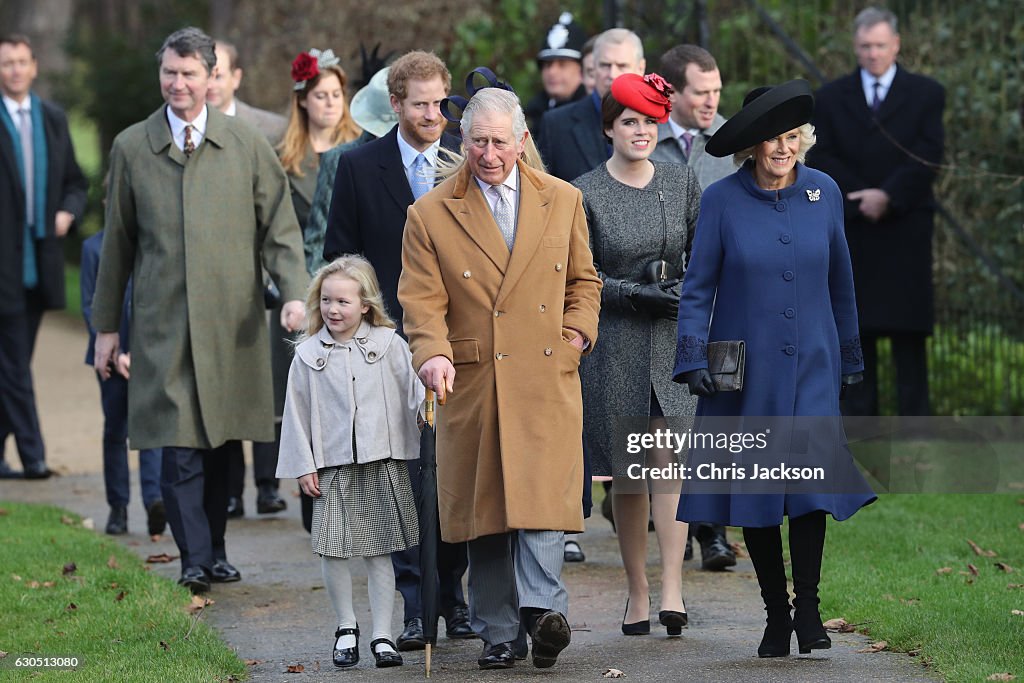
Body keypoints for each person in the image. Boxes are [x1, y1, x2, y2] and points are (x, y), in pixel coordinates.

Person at [91, 27, 308, 594]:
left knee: (222, 445)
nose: (177, 83)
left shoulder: (247, 145)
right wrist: (107, 329)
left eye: (188, 73)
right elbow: (116, 246)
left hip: (232, 325)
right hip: (163, 326)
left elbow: (280, 232)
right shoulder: (132, 147)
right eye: (169, 72)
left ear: (212, 78)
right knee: (180, 442)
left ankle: (215, 548)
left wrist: (293, 293)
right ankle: (192, 558)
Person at [398, 86, 602, 670]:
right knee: (486, 510)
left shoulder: (562, 200)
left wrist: (575, 336)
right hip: (473, 377)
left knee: (541, 499)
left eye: (498, 142)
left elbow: (585, 282)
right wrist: (431, 354)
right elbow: (420, 300)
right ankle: (496, 630)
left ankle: (541, 615)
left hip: (545, 372)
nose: (488, 154)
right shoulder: (430, 212)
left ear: (522, 140)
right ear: (463, 140)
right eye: (477, 141)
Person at [673, 79, 876, 657]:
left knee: (809, 490)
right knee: (756, 492)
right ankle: (775, 616)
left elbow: (842, 279)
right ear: (752, 147)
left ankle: (808, 611)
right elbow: (697, 288)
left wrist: (849, 354)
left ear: (803, 140)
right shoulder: (721, 201)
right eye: (771, 138)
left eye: (792, 136)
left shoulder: (825, 192)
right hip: (744, 369)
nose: (782, 148)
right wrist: (693, 360)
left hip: (813, 362)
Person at [322, 50, 473, 651]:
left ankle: (456, 596)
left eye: (442, 103)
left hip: (454, 340)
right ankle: (416, 604)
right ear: (396, 105)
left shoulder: (465, 165)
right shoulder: (359, 168)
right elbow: (342, 256)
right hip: (384, 346)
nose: (434, 114)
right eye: (421, 104)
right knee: (403, 473)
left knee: (454, 469)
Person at [573, 73, 698, 637]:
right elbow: (581, 275)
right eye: (630, 121)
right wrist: (629, 292)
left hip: (672, 336)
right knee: (627, 474)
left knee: (669, 462)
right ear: (609, 128)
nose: (641, 131)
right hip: (616, 341)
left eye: (650, 121)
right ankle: (637, 591)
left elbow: (703, 254)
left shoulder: (682, 182)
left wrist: (681, 287)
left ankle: (672, 585)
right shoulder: (585, 193)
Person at [277, 255, 421, 670]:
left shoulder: (390, 346)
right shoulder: (306, 355)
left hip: (381, 464)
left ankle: (382, 635)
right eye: (325, 301)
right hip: (332, 469)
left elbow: (413, 397)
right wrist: (304, 465)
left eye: (342, 301)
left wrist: (428, 405)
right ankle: (345, 626)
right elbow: (296, 414)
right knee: (333, 550)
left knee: (380, 553)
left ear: (365, 304)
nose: (333, 309)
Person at [808, 7, 944, 417]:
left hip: (905, 230)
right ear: (855, 46)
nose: (873, 54)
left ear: (896, 45)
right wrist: (859, 196)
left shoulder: (927, 94)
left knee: (909, 346)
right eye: (865, 46)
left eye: (881, 45)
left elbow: (929, 154)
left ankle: (915, 437)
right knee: (856, 337)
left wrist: (888, 196)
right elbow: (822, 154)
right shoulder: (830, 98)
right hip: (855, 231)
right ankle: (860, 437)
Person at [649, 43, 737, 571]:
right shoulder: (644, 138)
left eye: (716, 92)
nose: (710, 103)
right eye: (700, 93)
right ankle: (661, 520)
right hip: (659, 301)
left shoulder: (731, 143)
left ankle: (714, 532)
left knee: (717, 412)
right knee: (666, 421)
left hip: (723, 299)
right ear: (673, 91)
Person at [207, 39, 290, 519]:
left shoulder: (271, 129)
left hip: (268, 268)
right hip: (221, 271)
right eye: (207, 72)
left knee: (270, 376)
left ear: (236, 77)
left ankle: (268, 481)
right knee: (232, 375)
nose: (213, 81)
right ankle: (233, 487)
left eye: (220, 73)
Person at [0, 33, 87, 480]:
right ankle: (34, 455)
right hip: (3, 265)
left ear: (34, 67)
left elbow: (76, 180)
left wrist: (68, 212)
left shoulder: (52, 118)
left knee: (13, 361)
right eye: (6, 63)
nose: (14, 69)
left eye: (21, 62)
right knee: (13, 361)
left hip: (41, 260)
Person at [81, 229, 164, 536]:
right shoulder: (93, 247)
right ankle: (118, 507)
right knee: (116, 430)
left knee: (152, 428)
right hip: (108, 356)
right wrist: (115, 351)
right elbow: (91, 305)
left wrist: (142, 351)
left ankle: (155, 500)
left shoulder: (152, 242)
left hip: (149, 354)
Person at [303, 65, 391, 277]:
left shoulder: (440, 156)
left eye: (336, 94)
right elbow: (319, 238)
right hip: (358, 286)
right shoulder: (342, 159)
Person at [538, 28, 646, 182]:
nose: (612, 74)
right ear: (593, 67)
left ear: (640, 68)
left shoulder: (659, 123)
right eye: (605, 65)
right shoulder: (556, 125)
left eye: (622, 66)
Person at [207, 39, 287, 144]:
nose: (210, 85)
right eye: (206, 77)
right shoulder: (183, 128)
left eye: (218, 77)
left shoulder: (275, 130)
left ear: (236, 78)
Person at [524, 12, 588, 137]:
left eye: (562, 64)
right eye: (547, 65)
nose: (552, 72)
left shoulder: (593, 114)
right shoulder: (532, 113)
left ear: (583, 70)